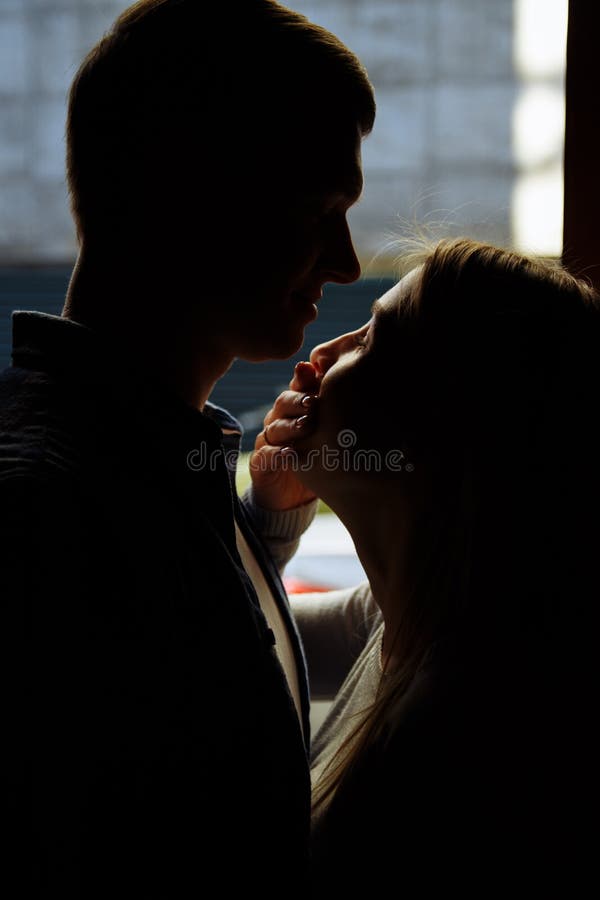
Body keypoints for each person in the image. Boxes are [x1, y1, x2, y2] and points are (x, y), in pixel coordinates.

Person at [0, 1, 375, 895]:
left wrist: (263, 531)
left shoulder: (135, 469)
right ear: (188, 193)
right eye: (322, 209)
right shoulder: (40, 520)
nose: (350, 261)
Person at [253, 237, 600, 893]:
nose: (321, 354)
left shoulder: (471, 743)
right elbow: (227, 638)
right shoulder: (405, 614)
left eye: (372, 335)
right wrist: (272, 518)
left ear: (444, 416)